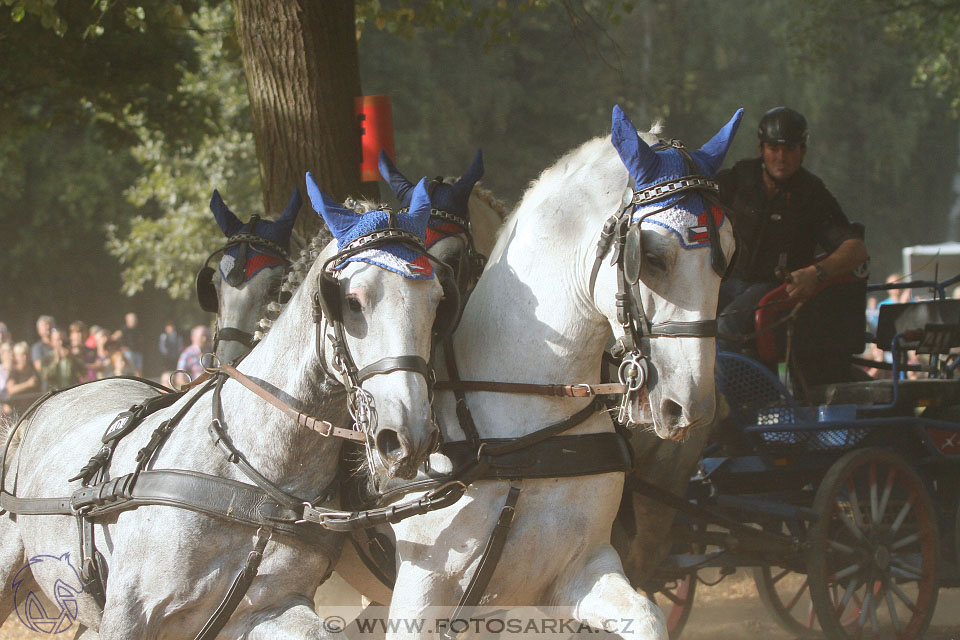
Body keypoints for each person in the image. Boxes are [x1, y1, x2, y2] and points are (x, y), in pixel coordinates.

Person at [715, 106, 868, 351]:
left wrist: (815, 273)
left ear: (803, 151)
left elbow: (856, 249)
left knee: (726, 327)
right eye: (774, 148)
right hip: (727, 281)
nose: (781, 157)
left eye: (789, 149)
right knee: (689, 320)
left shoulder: (812, 194)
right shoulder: (739, 177)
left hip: (773, 290)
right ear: (761, 149)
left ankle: (732, 390)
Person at [114, 312, 144, 377]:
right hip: (128, 352)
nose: (134, 320)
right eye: (133, 319)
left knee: (138, 371)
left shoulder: (137, 329)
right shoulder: (124, 329)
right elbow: (115, 337)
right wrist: (119, 348)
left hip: (137, 352)